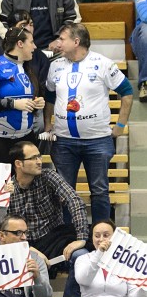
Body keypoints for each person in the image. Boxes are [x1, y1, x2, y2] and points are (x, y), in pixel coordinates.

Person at [45, 22, 133, 224]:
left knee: (100, 190)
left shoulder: (103, 63)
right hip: (64, 141)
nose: (58, 43)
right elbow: (49, 96)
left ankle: (101, 235)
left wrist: (120, 125)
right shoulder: (55, 65)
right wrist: (47, 123)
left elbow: (127, 92)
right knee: (64, 192)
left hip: (97, 140)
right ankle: (68, 236)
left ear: (76, 42)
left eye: (62, 39)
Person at [9, 140, 90, 297]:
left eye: (39, 156)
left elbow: (74, 201)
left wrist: (81, 238)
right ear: (18, 163)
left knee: (82, 256)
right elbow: (5, 231)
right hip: (24, 247)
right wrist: (32, 251)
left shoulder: (48, 176)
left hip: (55, 240)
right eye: (33, 158)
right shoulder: (8, 189)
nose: (39, 161)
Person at [0, 24, 45, 164]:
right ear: (20, 44)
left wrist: (36, 103)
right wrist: (13, 104)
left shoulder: (28, 67)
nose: (35, 47)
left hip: (25, 138)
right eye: (31, 42)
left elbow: (25, 101)